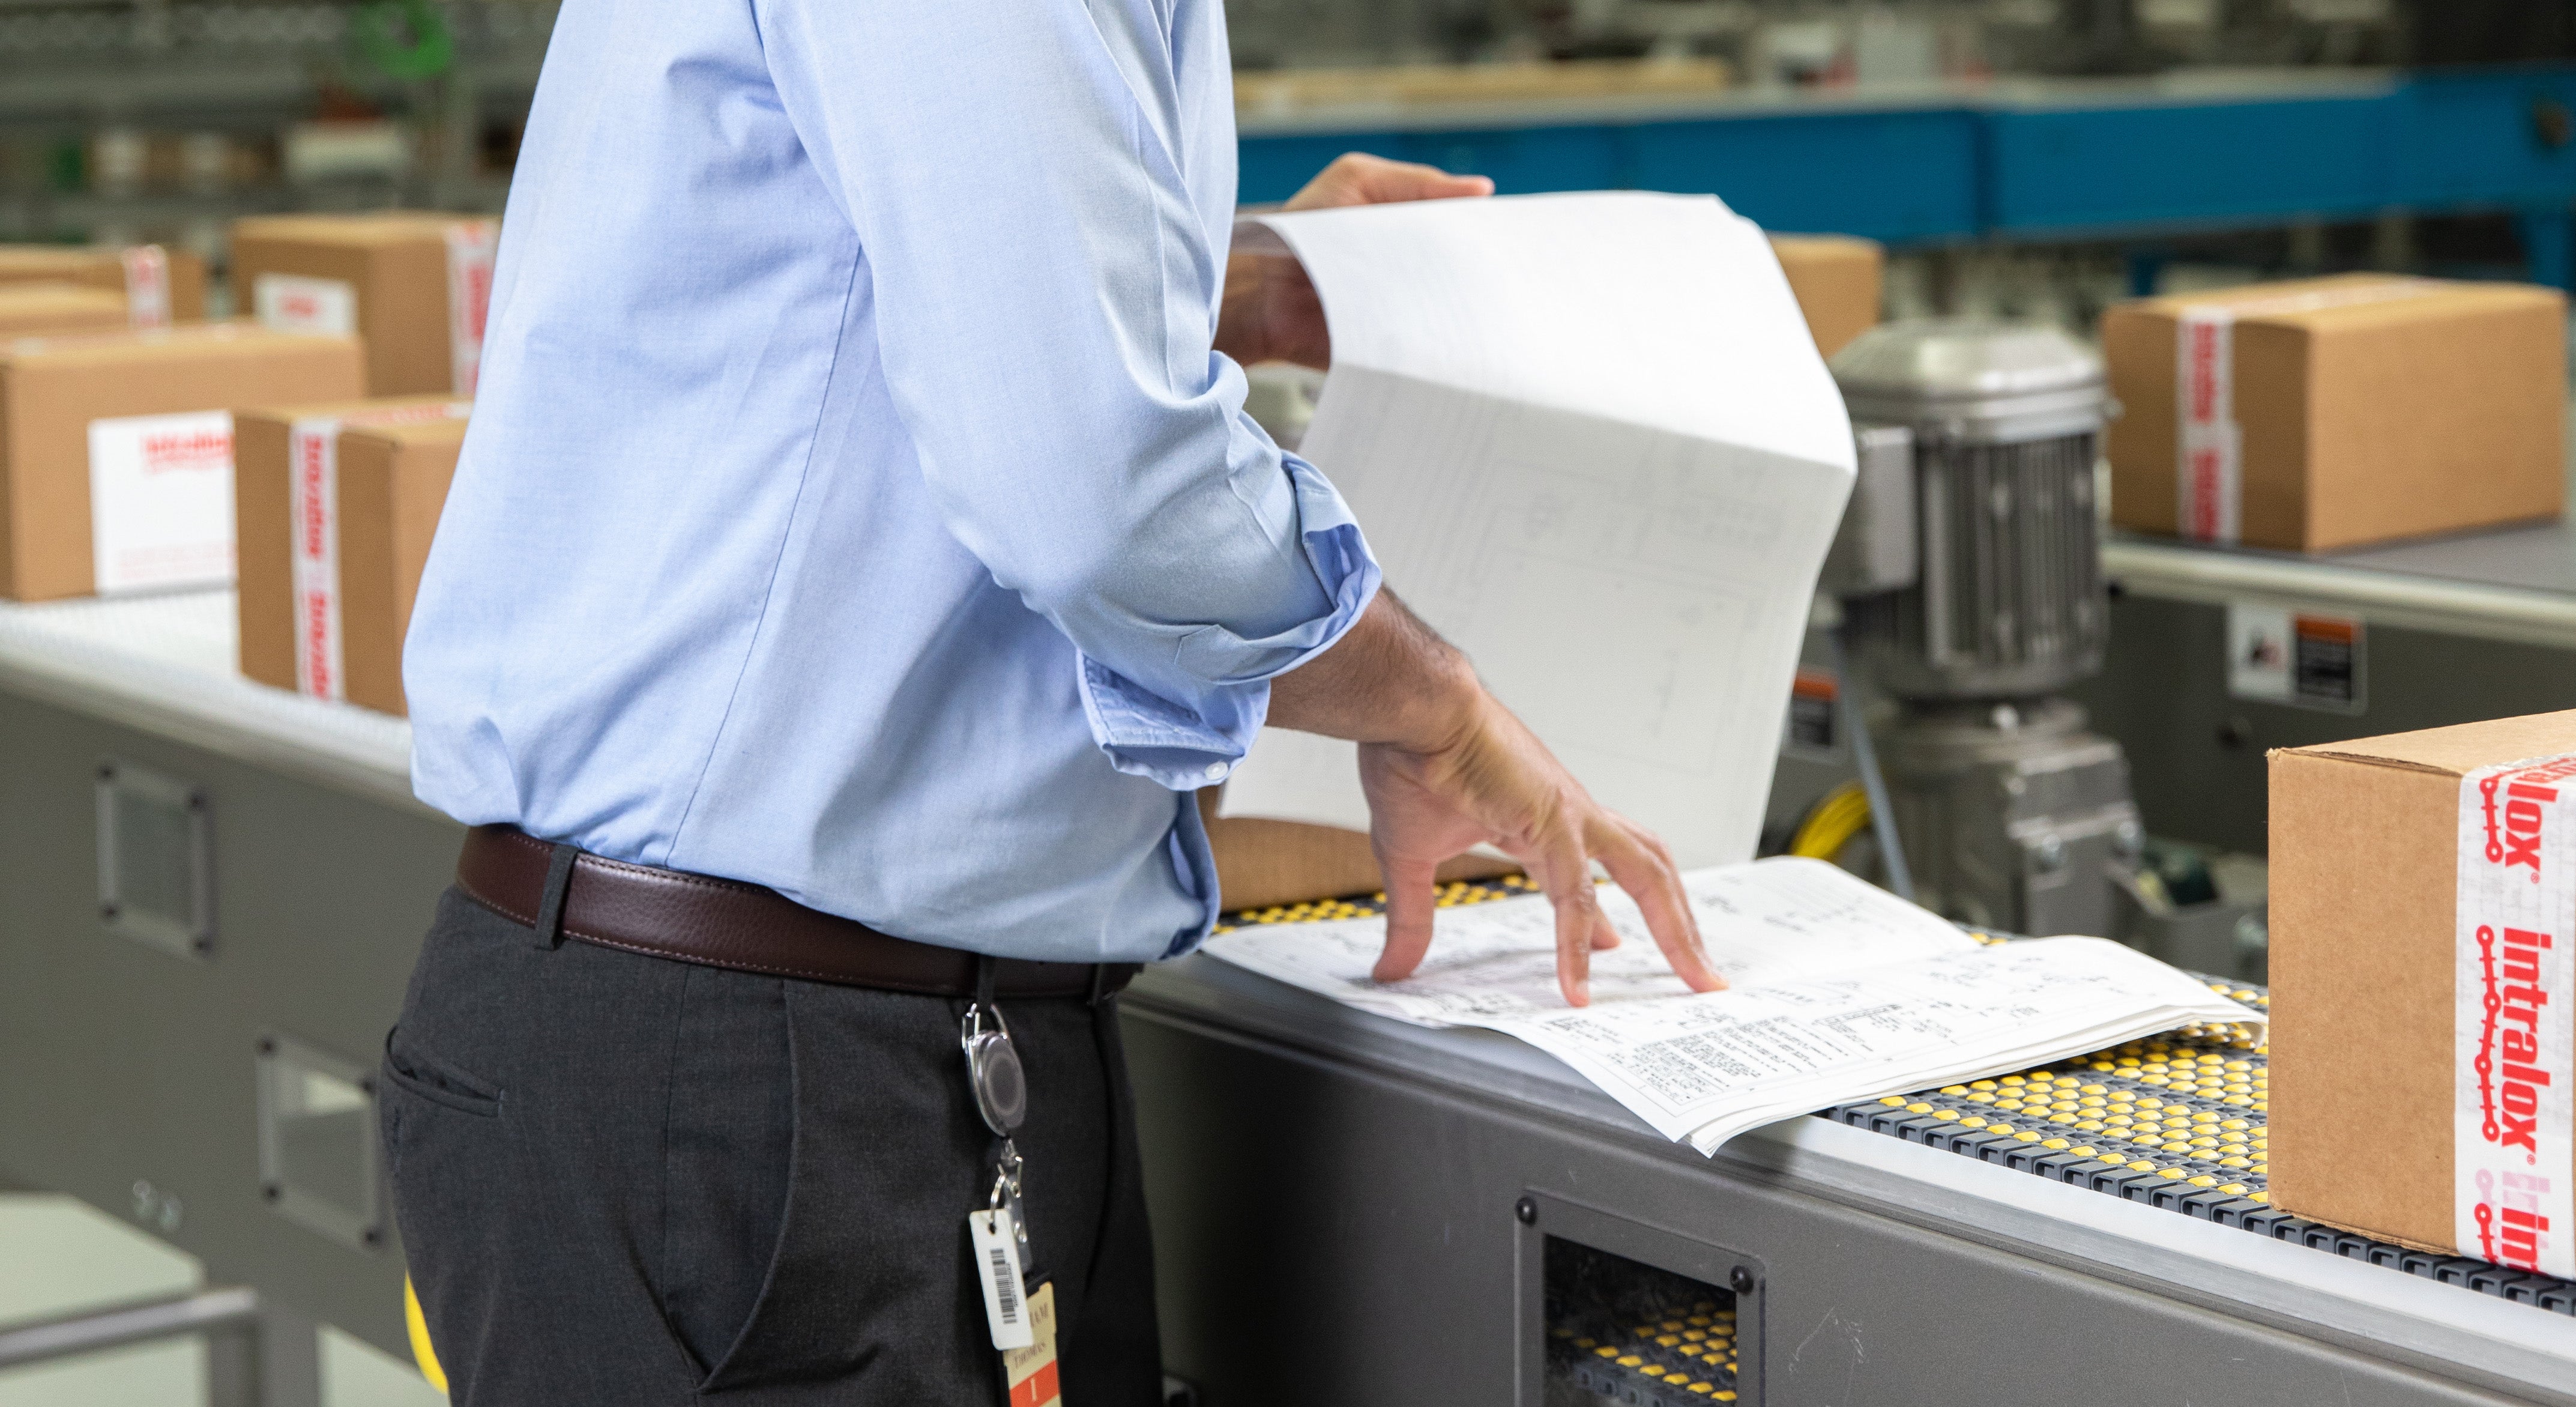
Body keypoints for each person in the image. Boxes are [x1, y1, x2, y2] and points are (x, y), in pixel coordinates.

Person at [382, 0, 1719, 1401]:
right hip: (750, 1086)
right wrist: (1432, 705)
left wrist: (1215, 287)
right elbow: (1105, 496)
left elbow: (859, 299)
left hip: (872, 1053)